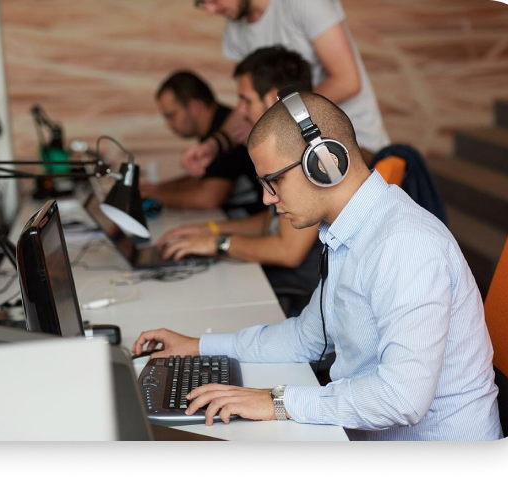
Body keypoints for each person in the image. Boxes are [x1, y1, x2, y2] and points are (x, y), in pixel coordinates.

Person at [132, 91, 503, 441]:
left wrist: (277, 401)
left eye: (273, 180)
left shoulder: (405, 245)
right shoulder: (347, 233)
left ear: (325, 162)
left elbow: (401, 398)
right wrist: (200, 345)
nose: (266, 198)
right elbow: (305, 338)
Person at [159, 47, 322, 298]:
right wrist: (211, 230)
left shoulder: (308, 154)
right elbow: (273, 222)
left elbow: (289, 251)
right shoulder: (287, 143)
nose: (240, 111)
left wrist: (219, 243)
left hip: (304, 286)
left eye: (245, 100)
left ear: (271, 99)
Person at [182, 0, 390, 175]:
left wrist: (278, 116)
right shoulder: (235, 29)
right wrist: (214, 145)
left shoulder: (304, 3)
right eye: (202, 3)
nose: (210, 9)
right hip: (302, 152)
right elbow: (251, 100)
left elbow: (347, 81)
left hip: (356, 148)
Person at [144, 70, 266, 218]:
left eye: (171, 115)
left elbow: (209, 198)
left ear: (194, 106)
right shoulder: (216, 129)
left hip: (259, 223)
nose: (168, 124)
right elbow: (203, 178)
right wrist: (157, 189)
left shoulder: (226, 128)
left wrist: (152, 197)